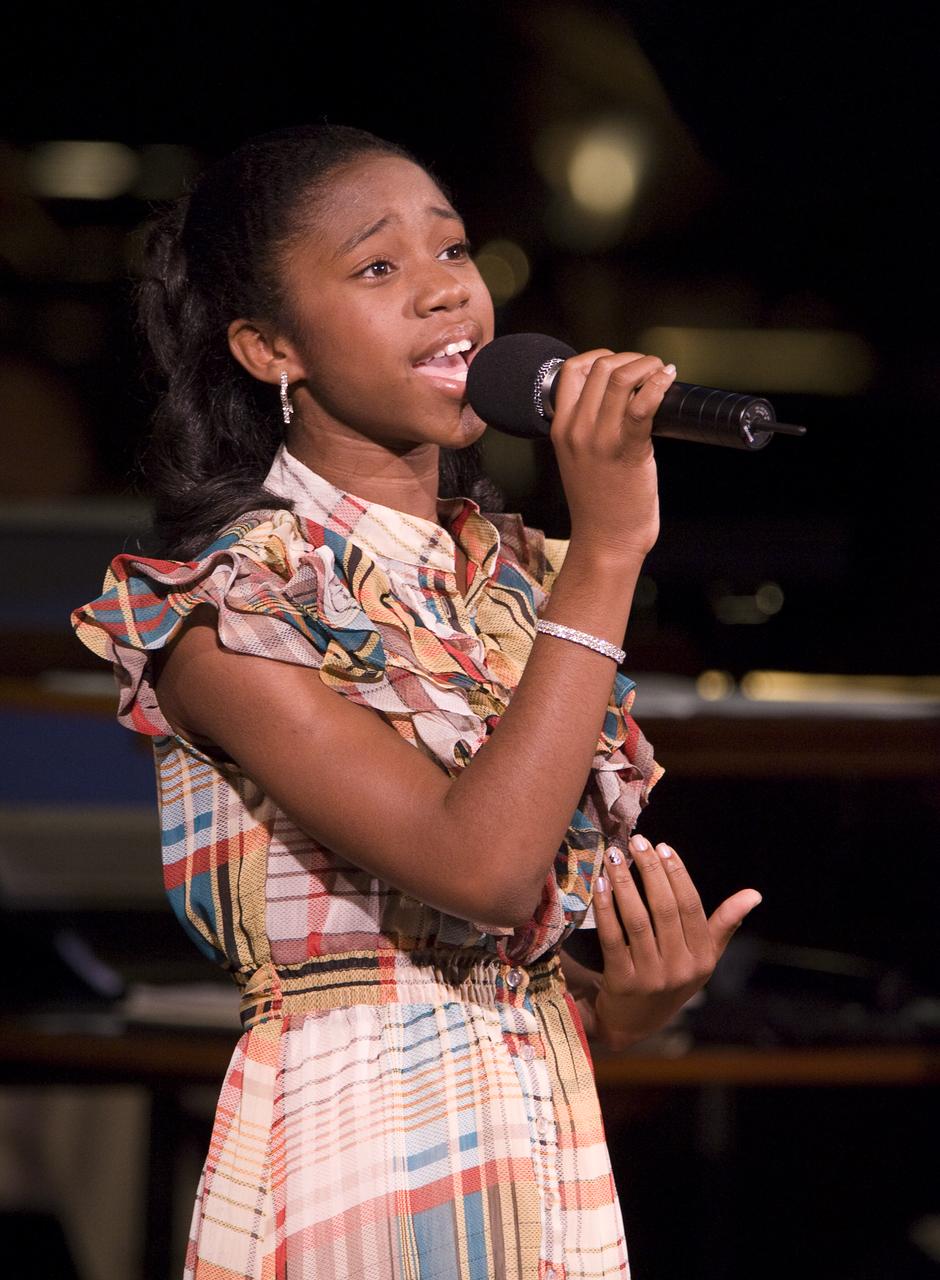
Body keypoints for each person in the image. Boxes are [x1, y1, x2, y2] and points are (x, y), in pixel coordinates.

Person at [73, 124, 761, 1280]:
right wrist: (610, 549)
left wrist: (635, 1005)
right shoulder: (229, 604)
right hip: (359, 1166)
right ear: (268, 345)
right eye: (378, 266)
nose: (447, 290)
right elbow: (478, 864)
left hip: (540, 1150)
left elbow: (500, 968)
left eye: (454, 250)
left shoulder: (508, 581)